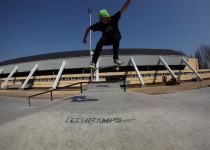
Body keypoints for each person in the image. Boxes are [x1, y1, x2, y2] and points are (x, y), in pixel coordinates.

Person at [83, 0, 131, 69]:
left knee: (116, 37)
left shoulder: (114, 18)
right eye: (101, 20)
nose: (103, 22)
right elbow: (88, 28)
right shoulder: (100, 24)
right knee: (100, 42)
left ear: (107, 17)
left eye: (103, 20)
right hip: (106, 39)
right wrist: (84, 38)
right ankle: (93, 63)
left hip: (115, 38)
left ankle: (116, 58)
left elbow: (123, 8)